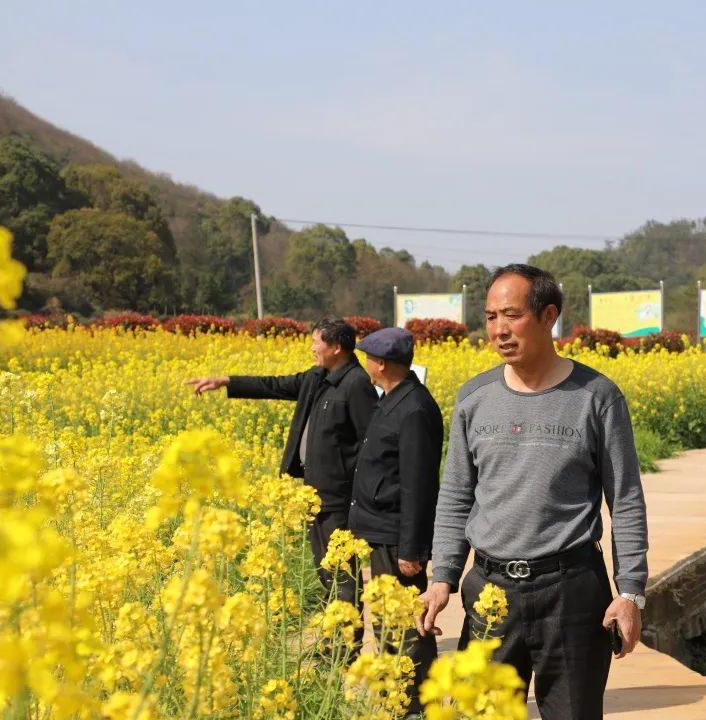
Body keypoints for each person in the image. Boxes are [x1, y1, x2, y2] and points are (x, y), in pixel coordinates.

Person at [415, 264, 649, 720]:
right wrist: (442, 576)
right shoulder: (474, 397)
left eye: (512, 315)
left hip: (572, 590)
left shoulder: (597, 397)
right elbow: (457, 493)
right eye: (490, 317)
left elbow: (625, 499)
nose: (499, 330)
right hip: (489, 591)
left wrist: (631, 592)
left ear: (548, 317)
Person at [184, 316, 377, 605]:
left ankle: (346, 645)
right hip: (315, 493)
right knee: (326, 570)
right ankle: (333, 641)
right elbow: (274, 385)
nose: (311, 347)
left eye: (316, 342)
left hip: (338, 498)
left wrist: (358, 493)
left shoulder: (356, 383)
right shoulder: (317, 377)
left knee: (341, 572)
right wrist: (225, 381)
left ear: (336, 347)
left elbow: (370, 442)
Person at [349, 326, 442, 714]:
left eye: (368, 356)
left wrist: (412, 548)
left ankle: (418, 702)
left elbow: (418, 485)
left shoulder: (414, 407)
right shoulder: (393, 398)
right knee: (388, 623)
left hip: (395, 537)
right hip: (381, 531)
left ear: (381, 363)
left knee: (406, 625)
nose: (365, 363)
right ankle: (396, 698)